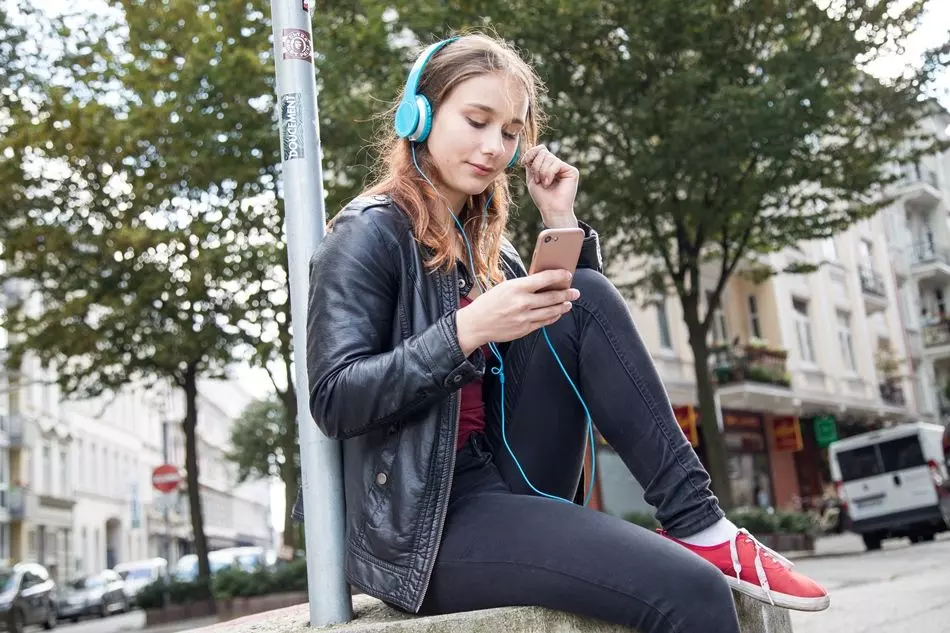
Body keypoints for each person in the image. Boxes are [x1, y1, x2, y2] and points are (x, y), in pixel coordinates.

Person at [299, 31, 830, 633]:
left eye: (510, 132)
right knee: (692, 591)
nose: (493, 147)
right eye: (476, 121)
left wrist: (560, 220)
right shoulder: (367, 232)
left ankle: (698, 523)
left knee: (584, 293)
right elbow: (335, 399)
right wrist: (465, 330)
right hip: (428, 522)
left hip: (510, 473)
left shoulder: (491, 250)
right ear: (418, 114)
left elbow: (586, 341)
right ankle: (702, 536)